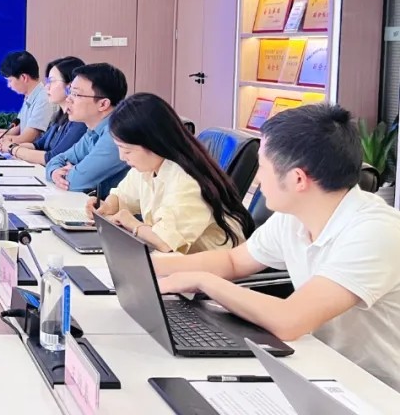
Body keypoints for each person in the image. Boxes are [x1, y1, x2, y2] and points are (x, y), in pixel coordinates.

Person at [154, 104, 400, 391]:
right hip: (317, 365)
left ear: (298, 179)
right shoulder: (294, 215)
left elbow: (289, 320)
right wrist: (148, 263)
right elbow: (233, 262)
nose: (258, 179)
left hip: (376, 389)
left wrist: (203, 281)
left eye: (262, 166)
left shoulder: (375, 232)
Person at [90, 93, 254, 254]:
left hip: (213, 266)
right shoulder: (149, 166)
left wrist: (132, 224)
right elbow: (122, 197)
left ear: (153, 143)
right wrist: (107, 207)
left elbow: (165, 242)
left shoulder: (187, 181)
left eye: (127, 150)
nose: (122, 157)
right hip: (177, 261)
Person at [45, 63, 129, 194]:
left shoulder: (116, 134)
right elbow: (55, 160)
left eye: (76, 94)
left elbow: (75, 182)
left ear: (103, 104)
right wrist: (55, 171)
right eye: (69, 92)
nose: (68, 99)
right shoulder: (93, 130)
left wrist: (71, 170)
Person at [3, 56, 87, 166]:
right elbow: (38, 145)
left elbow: (53, 157)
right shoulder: (59, 116)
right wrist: (12, 145)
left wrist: (13, 149)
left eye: (51, 81)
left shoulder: (80, 122)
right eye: (47, 81)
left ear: (71, 86)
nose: (47, 87)